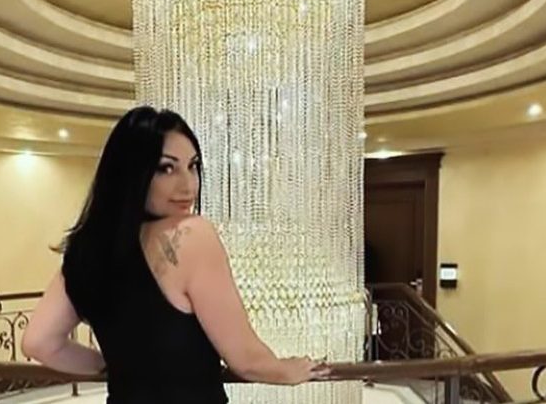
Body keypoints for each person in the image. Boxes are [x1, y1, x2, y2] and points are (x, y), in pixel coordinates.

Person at [21, 106, 329, 403]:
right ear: (132, 173)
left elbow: (39, 343)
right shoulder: (192, 235)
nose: (188, 185)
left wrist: (111, 366)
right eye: (166, 168)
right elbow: (245, 359)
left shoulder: (86, 249)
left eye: (192, 166)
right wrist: (287, 369)